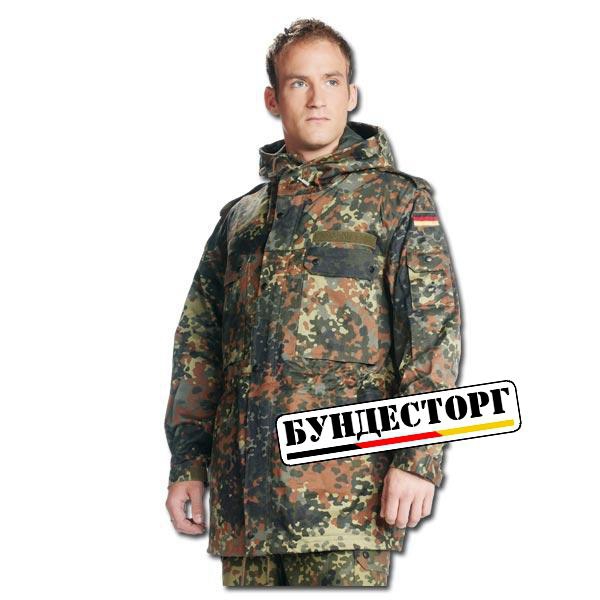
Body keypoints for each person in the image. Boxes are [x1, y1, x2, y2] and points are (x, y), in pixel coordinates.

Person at [164, 18, 462, 587]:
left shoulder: (396, 201)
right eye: (299, 83)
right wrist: (188, 464)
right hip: (244, 506)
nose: (317, 97)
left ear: (352, 94)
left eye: (332, 81)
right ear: (273, 99)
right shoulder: (240, 218)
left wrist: (418, 460)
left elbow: (431, 335)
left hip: (346, 505)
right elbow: (198, 346)